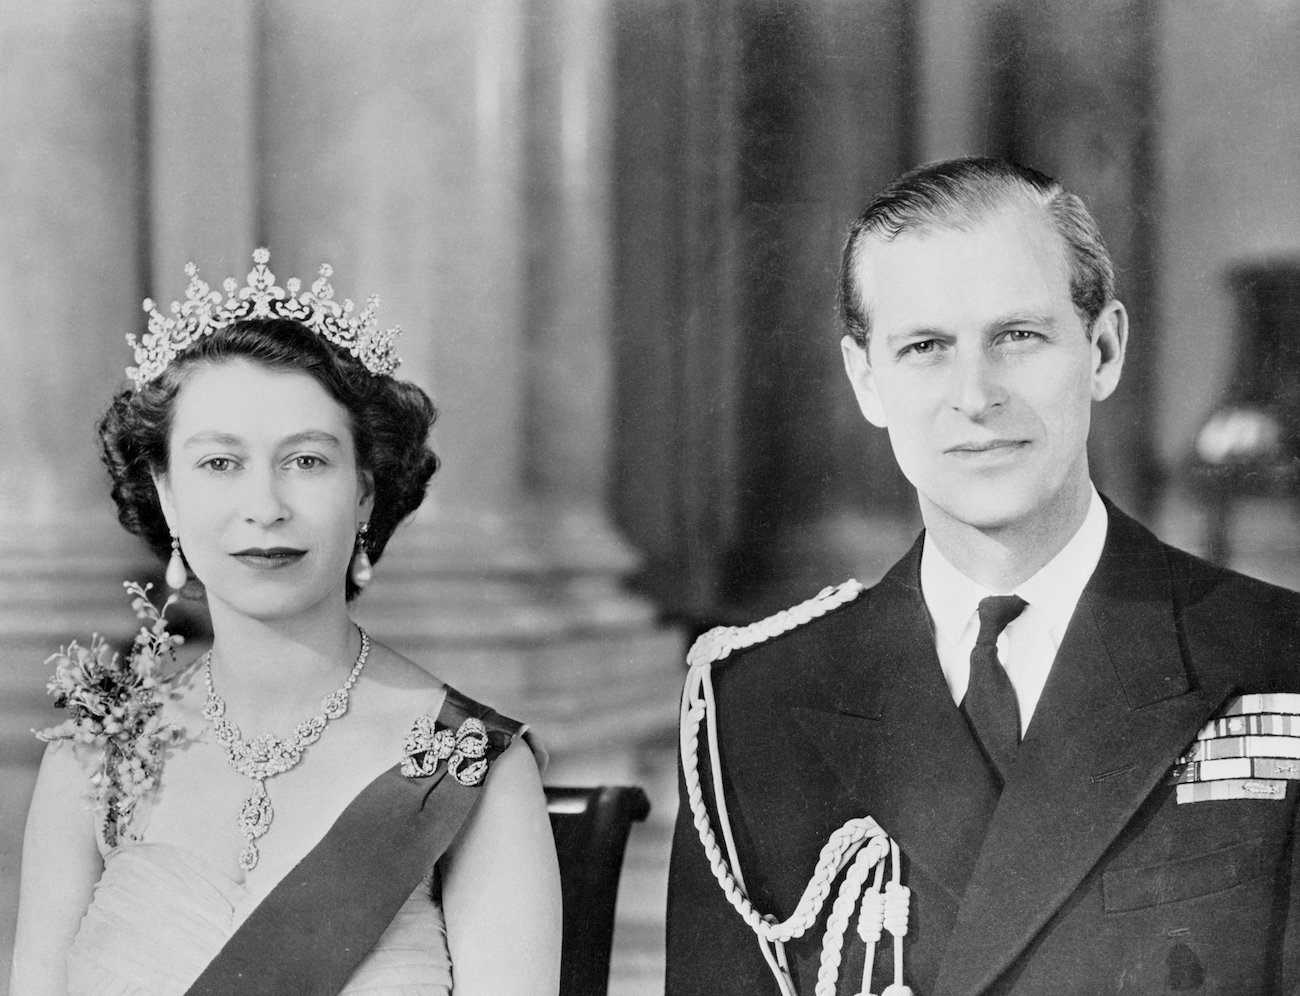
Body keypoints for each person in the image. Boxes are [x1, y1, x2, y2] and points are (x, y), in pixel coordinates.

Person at [666, 158, 1300, 995]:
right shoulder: (754, 705)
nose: (975, 394)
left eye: (1018, 337)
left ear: (1103, 350)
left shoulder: (1275, 659)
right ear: (867, 380)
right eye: (925, 347)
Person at [9, 250, 561, 996]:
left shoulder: (467, 769)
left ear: (365, 494)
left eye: (305, 461)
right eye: (219, 464)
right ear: (167, 496)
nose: (264, 506)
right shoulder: (95, 760)